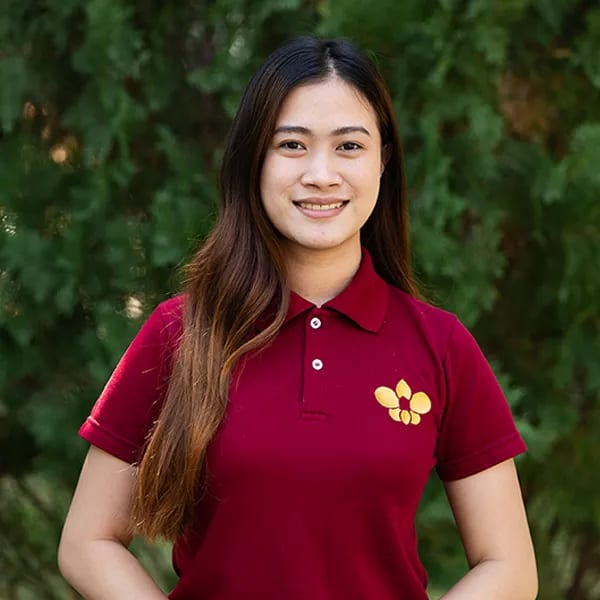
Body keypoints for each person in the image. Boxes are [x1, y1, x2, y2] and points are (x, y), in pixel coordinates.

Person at [58, 37, 538, 599]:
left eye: (349, 146)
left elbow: (509, 566)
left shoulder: (441, 345)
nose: (321, 174)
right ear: (254, 160)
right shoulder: (180, 333)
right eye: (291, 145)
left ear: (383, 160)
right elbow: (88, 541)